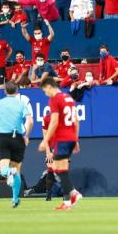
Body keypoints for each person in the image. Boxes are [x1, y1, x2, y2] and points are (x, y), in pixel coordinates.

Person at [0, 82, 33, 208]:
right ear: (17, 91)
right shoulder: (22, 103)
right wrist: (26, 136)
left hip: (4, 137)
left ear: (5, 91)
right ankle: (15, 199)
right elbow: (30, 121)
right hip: (18, 137)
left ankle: (8, 172)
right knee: (16, 169)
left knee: (4, 168)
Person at [38, 77, 82, 210]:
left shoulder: (55, 99)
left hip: (62, 138)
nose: (46, 94)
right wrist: (76, 140)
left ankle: (74, 193)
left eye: (45, 91)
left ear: (49, 87)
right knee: (60, 168)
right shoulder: (69, 98)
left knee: (57, 168)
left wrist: (45, 141)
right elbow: (76, 120)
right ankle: (68, 203)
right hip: (71, 137)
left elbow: (55, 121)